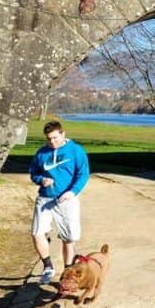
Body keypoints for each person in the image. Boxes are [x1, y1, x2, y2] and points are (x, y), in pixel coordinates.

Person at [29, 120, 90, 285]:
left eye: (55, 138)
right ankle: (48, 266)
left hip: (67, 200)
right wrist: (41, 180)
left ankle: (67, 271)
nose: (52, 142)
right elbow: (33, 173)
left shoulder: (76, 151)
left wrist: (73, 191)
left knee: (68, 237)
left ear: (63, 134)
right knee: (37, 233)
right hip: (45, 198)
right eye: (49, 139)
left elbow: (83, 174)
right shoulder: (41, 153)